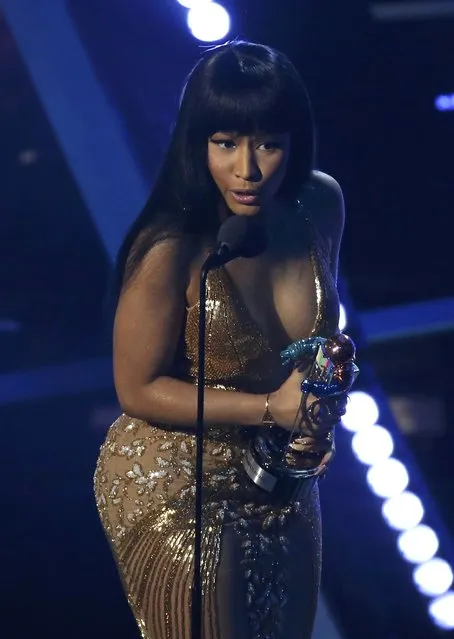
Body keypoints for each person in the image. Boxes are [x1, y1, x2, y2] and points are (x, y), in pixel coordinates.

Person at [94, 40, 346, 639]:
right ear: (197, 142)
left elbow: (321, 331)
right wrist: (268, 408)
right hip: (175, 472)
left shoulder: (319, 204)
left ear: (294, 143)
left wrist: (316, 407)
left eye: (268, 144)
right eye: (226, 143)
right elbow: (135, 387)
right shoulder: (171, 246)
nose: (248, 169)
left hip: (278, 470)